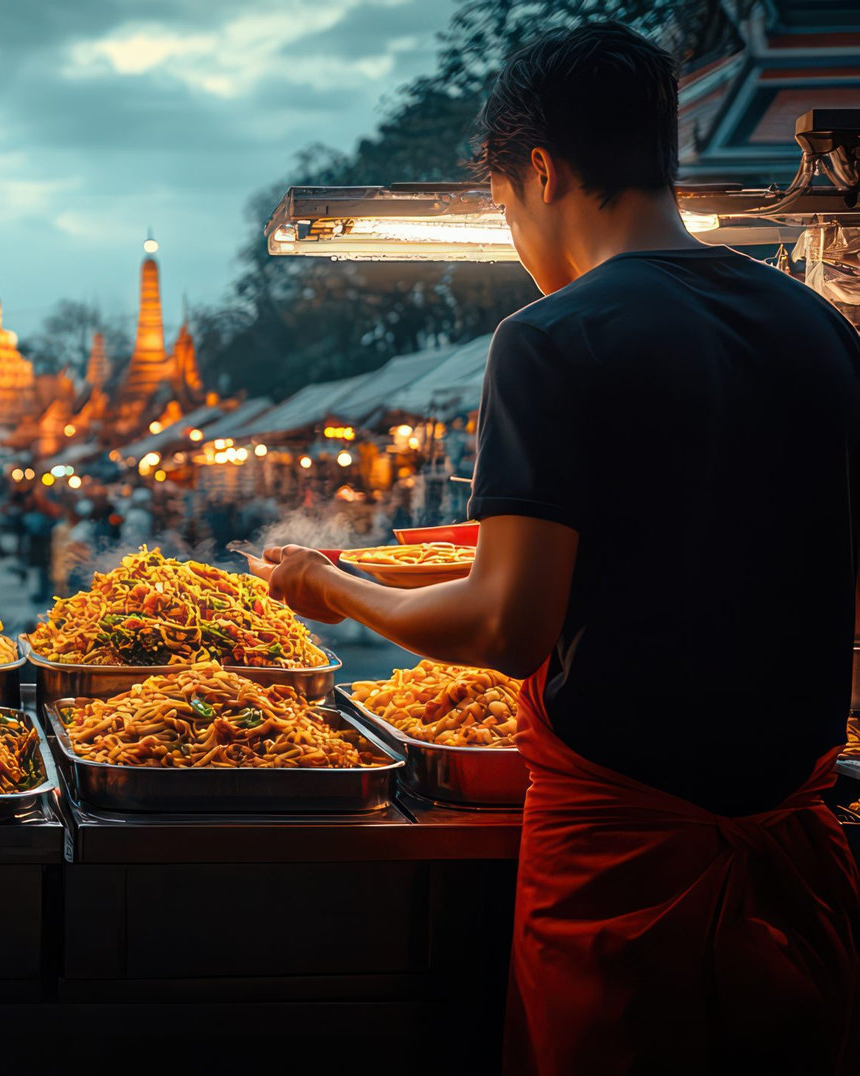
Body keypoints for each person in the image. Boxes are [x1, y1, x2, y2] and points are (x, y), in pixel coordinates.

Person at [255, 24, 860, 1074]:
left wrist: (337, 584)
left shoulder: (554, 336)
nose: (519, 238)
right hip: (797, 867)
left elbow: (507, 621)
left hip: (626, 873)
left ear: (540, 171)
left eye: (505, 208)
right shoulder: (822, 330)